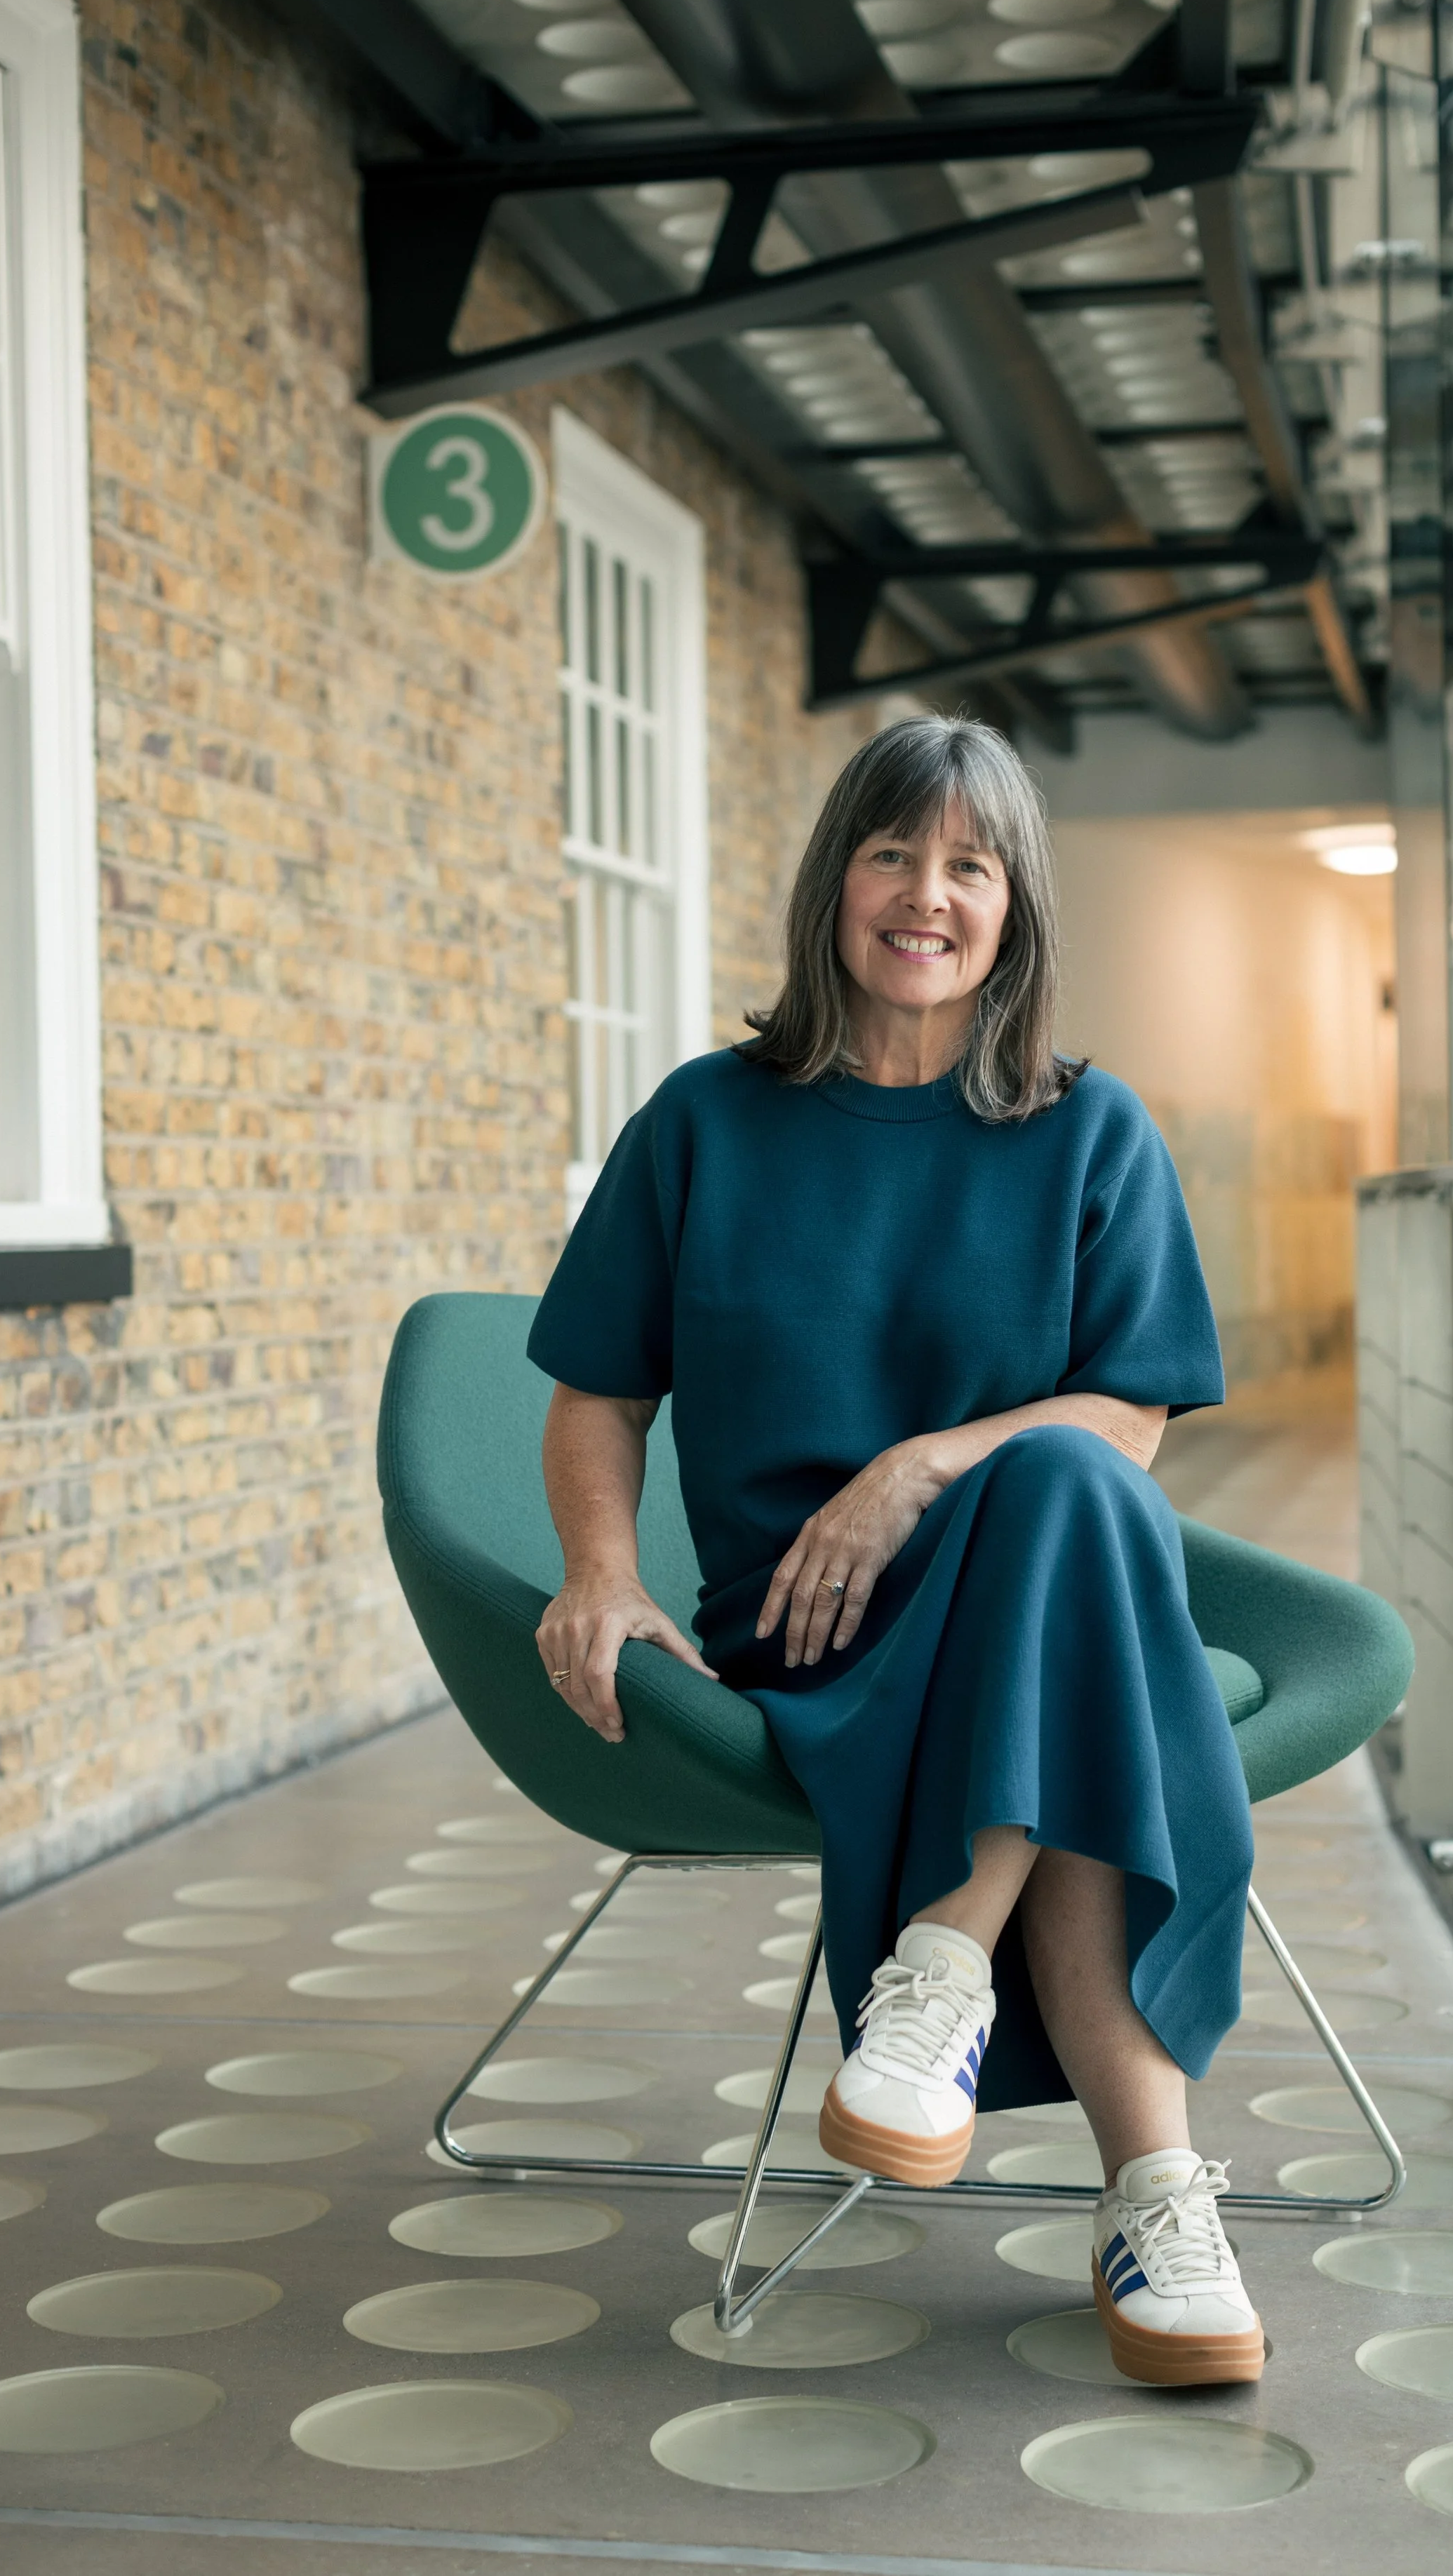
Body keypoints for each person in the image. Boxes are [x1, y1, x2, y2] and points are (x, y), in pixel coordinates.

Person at [527, 713, 1264, 2387]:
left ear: (1014, 908)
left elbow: (1129, 1419)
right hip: (807, 1634)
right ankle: (1151, 2199)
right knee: (1089, 1678)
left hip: (1019, 1600)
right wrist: (600, 1570)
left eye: (968, 866)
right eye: (891, 854)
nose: (926, 894)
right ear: (833, 884)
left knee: (1064, 1494)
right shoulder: (702, 1122)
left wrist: (917, 1465)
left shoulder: (1089, 1129)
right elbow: (597, 1395)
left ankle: (937, 1977)